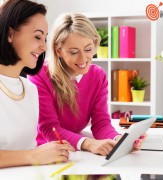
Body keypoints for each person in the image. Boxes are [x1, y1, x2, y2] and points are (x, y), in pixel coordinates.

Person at [29, 13, 144, 156]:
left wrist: (119, 140)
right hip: (45, 151)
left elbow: (101, 123)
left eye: (88, 49)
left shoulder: (98, 75)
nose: (83, 58)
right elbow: (49, 129)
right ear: (58, 50)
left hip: (77, 149)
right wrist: (89, 143)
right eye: (73, 52)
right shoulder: (40, 75)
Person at [0, 0, 75, 169]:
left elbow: (26, 150)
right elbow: (29, 154)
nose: (43, 46)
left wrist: (51, 152)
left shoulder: (30, 89)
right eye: (37, 36)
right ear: (10, 34)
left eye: (45, 37)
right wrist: (35, 155)